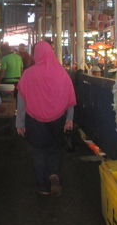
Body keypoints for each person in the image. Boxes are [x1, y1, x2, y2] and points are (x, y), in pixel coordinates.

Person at [16, 42, 76, 196]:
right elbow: (70, 97)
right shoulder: (62, 72)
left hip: (34, 120)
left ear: (36, 54)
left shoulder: (29, 74)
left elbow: (21, 100)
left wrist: (20, 123)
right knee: (55, 148)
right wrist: (69, 119)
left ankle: (43, 186)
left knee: (38, 151)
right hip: (58, 119)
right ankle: (54, 174)